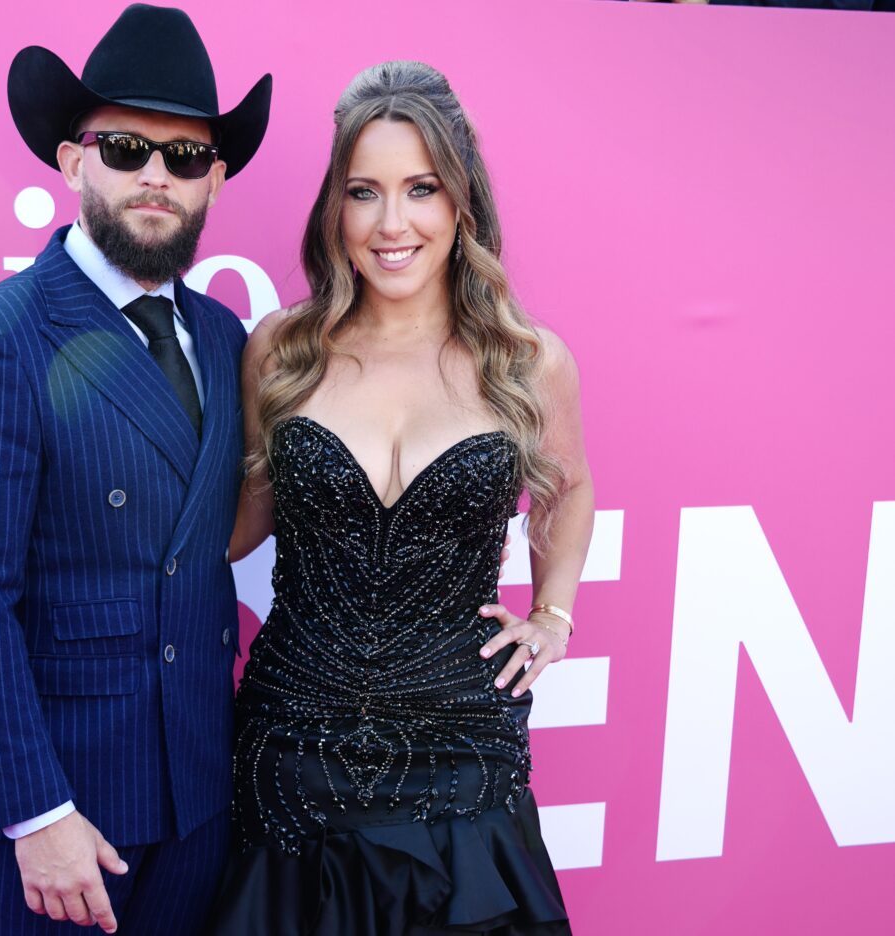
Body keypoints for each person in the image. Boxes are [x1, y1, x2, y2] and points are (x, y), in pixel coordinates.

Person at [0, 5, 271, 933]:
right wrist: (37, 812)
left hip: (196, 797)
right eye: (125, 147)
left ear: (215, 181)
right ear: (73, 161)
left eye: (186, 156)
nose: (156, 175)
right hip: (56, 810)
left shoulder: (228, 339)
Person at [214, 60, 593, 935]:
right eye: (363, 191)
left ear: (461, 203)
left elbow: (569, 487)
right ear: (334, 210)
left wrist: (554, 615)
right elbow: (236, 529)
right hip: (292, 753)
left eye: (420, 189)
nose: (392, 224)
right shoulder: (282, 350)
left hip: (464, 748)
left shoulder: (529, 361)